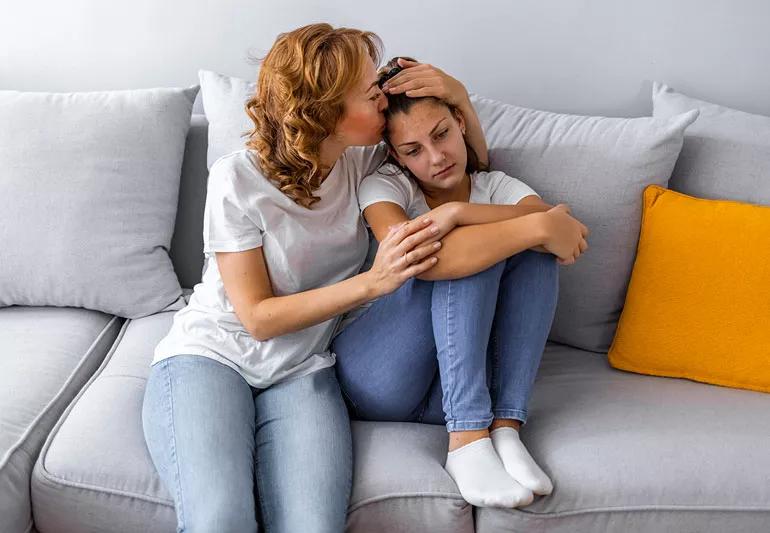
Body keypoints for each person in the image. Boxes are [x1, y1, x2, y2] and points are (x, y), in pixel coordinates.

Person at [141, 27, 490, 533]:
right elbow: (258, 318)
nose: (385, 96)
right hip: (212, 356)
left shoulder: (367, 161)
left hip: (304, 367)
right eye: (372, 94)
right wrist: (374, 282)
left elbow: (470, 171)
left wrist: (455, 93)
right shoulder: (236, 178)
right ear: (326, 113)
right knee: (220, 520)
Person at [331, 57, 589, 509]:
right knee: (467, 250)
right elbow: (419, 256)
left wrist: (467, 212)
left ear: (461, 125)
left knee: (531, 255)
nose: (436, 158)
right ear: (395, 157)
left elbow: (557, 230)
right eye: (413, 150)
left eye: (442, 135)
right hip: (377, 376)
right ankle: (468, 439)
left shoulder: (496, 185)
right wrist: (463, 218)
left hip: (452, 388)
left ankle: (505, 428)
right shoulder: (384, 187)